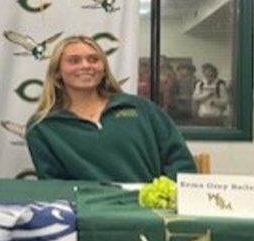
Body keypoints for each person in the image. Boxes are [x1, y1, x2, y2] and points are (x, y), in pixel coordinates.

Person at [26, 35, 195, 182]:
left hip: (152, 212)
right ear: (57, 72)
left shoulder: (142, 108)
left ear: (104, 69)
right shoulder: (43, 126)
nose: (86, 65)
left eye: (94, 59)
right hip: (90, 215)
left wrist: (165, 197)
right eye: (74, 60)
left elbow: (180, 162)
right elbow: (55, 186)